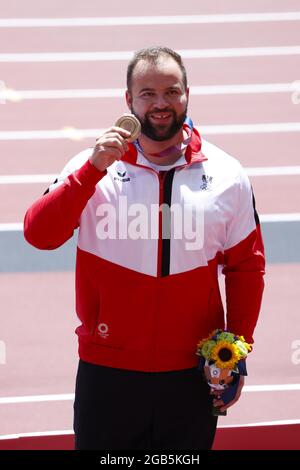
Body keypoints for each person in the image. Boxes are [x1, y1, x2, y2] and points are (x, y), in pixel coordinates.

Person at [24, 46, 265, 450]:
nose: (161, 104)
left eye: (171, 91)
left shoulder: (227, 174)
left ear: (187, 94)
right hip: (108, 371)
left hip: (192, 372)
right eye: (148, 93)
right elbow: (40, 234)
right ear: (129, 100)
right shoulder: (93, 166)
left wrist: (234, 351)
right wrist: (90, 172)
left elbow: (246, 267)